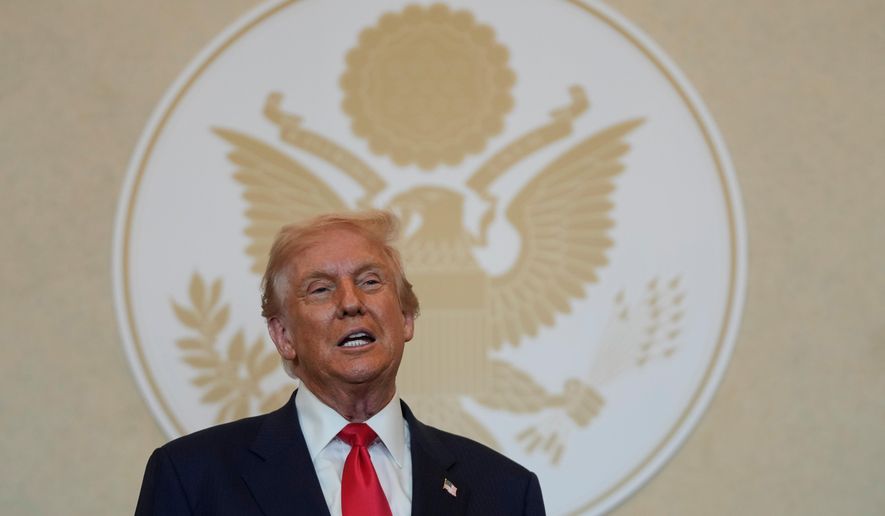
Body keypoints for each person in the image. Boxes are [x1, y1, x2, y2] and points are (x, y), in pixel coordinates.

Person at [135, 211, 545, 515]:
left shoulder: (505, 491)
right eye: (320, 289)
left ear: (406, 318)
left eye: (370, 282)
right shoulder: (192, 478)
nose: (351, 303)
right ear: (283, 336)